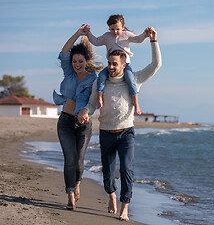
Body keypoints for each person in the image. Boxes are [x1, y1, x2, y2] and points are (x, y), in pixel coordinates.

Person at [78, 27, 161, 221]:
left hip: (126, 133)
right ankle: (111, 195)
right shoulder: (100, 82)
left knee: (126, 169)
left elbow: (156, 65)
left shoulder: (135, 79)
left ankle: (125, 207)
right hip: (106, 132)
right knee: (107, 172)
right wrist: (85, 111)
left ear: (124, 65)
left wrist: (153, 41)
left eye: (114, 64)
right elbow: (91, 104)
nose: (111, 67)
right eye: (109, 63)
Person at [53, 25, 103, 210]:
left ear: (86, 61)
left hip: (83, 124)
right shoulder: (68, 73)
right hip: (65, 121)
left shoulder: (94, 79)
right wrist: (78, 33)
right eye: (74, 61)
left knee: (79, 160)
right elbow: (64, 52)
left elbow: (95, 100)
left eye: (80, 61)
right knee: (70, 159)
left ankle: (78, 182)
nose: (77, 64)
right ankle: (70, 194)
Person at [84, 14, 149, 114]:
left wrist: (146, 34)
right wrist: (88, 33)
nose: (115, 32)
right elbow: (96, 41)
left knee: (130, 78)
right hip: (112, 65)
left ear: (123, 27)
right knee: (101, 76)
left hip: (125, 65)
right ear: (109, 28)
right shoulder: (107, 36)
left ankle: (136, 104)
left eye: (117, 29)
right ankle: (100, 98)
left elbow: (138, 39)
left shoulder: (126, 35)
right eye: (112, 29)